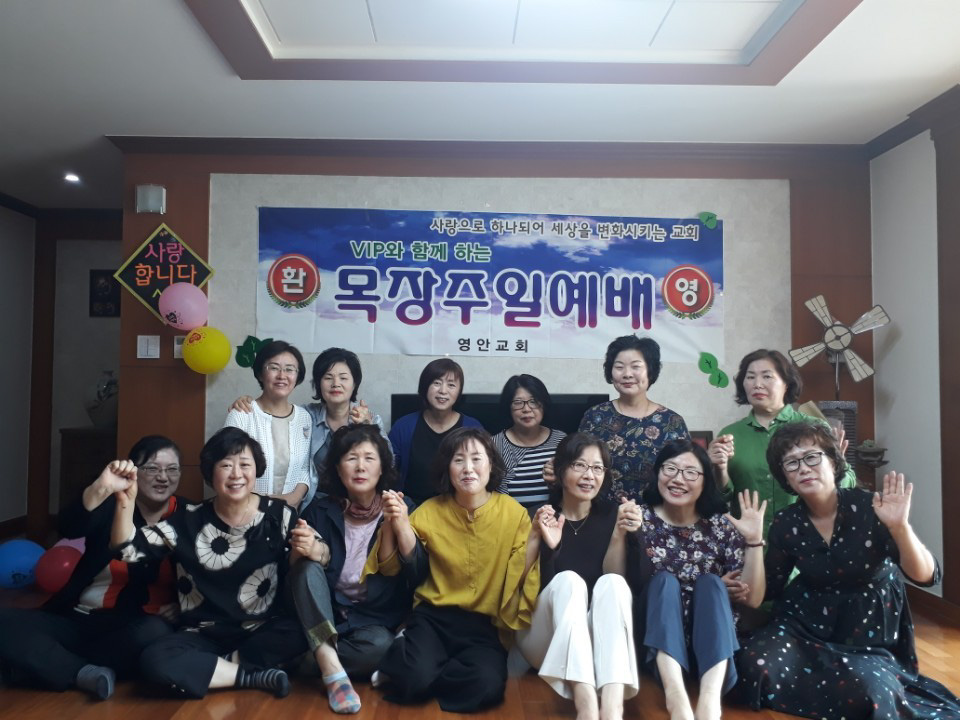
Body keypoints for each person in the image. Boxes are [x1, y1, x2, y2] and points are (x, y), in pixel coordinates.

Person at [736, 421, 960, 719]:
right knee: (754, 664)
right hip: (804, 623)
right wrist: (753, 542)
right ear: (785, 477)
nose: (803, 468)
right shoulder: (786, 522)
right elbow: (769, 589)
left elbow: (927, 576)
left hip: (867, 633)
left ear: (833, 461)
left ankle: (844, 685)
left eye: (812, 457)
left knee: (869, 692)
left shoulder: (872, 507)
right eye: (791, 463)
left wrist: (900, 527)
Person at [111, 427, 308, 699]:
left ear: (256, 470)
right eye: (226, 465)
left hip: (260, 630)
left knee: (301, 631)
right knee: (155, 659)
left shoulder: (278, 514)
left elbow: (321, 552)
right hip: (202, 635)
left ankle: (213, 670)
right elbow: (126, 551)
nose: (236, 474)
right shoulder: (187, 520)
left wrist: (315, 548)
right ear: (210, 472)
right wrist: (125, 500)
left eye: (245, 465)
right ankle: (251, 675)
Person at [367, 427, 540, 713]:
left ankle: (423, 667)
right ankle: (414, 660)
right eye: (459, 460)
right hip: (433, 618)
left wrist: (535, 538)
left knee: (487, 686)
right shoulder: (428, 511)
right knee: (413, 678)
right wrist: (393, 522)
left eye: (476, 459)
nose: (468, 468)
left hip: (483, 625)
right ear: (447, 468)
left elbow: (519, 575)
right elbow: (391, 567)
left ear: (491, 465)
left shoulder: (514, 513)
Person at [0, 435, 182, 700]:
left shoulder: (187, 516)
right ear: (133, 471)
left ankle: (45, 665)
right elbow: (69, 527)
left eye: (172, 469)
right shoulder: (110, 506)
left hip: (133, 626)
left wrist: (181, 605)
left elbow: (200, 574)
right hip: (78, 618)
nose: (163, 477)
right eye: (152, 468)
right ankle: (81, 671)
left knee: (155, 634)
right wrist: (101, 487)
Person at [629, 439, 765, 720]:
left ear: (705, 481)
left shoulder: (720, 525)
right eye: (670, 469)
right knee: (664, 582)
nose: (678, 479)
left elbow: (752, 599)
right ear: (657, 473)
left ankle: (710, 702)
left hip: (712, 642)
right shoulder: (639, 520)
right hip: (658, 642)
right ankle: (676, 698)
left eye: (691, 472)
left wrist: (753, 541)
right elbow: (627, 582)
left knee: (711, 584)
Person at [288, 424, 415, 714]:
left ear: (382, 467)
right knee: (306, 568)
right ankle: (331, 669)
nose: (360, 467)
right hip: (325, 613)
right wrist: (302, 551)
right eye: (351, 458)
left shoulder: (401, 507)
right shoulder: (319, 510)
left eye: (369, 458)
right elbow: (296, 579)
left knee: (381, 648)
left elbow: (416, 574)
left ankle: (309, 658)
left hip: (372, 620)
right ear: (337, 468)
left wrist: (402, 526)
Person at [517, 432, 638, 720]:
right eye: (579, 465)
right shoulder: (538, 516)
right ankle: (586, 707)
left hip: (597, 644)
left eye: (597, 468)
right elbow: (517, 585)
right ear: (560, 470)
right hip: (543, 640)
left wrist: (619, 534)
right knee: (569, 581)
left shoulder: (614, 515)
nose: (589, 475)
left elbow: (617, 588)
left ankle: (612, 708)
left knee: (613, 582)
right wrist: (545, 545)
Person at [707, 348, 856, 538]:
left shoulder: (814, 428)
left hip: (805, 540)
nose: (757, 384)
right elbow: (720, 499)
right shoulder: (730, 435)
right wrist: (718, 469)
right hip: (747, 542)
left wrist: (835, 469)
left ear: (786, 383)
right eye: (750, 377)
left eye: (767, 376)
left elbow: (848, 483)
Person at [231, 347, 387, 483]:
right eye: (328, 377)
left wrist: (368, 427)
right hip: (317, 500)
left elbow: (388, 463)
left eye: (343, 378)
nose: (336, 384)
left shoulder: (371, 419)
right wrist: (249, 402)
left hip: (358, 496)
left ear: (354, 384)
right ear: (318, 383)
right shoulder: (305, 416)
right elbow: (275, 411)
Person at [577, 335, 689, 502]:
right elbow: (578, 467)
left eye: (636, 367)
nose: (627, 374)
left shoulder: (672, 422)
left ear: (650, 371)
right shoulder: (595, 416)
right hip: (602, 513)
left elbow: (685, 475)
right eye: (619, 367)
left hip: (656, 513)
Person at [224, 340, 317, 509]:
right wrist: (263, 505)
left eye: (289, 369)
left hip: (289, 512)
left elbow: (304, 468)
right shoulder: (242, 414)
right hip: (246, 511)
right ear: (260, 374)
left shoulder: (304, 418)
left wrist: (292, 499)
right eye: (274, 368)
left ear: (297, 377)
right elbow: (228, 468)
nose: (282, 375)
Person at [387, 358, 483, 505]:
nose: (443, 391)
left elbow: (482, 473)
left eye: (451, 385)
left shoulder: (472, 428)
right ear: (425, 387)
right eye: (436, 383)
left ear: (459, 391)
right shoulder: (403, 426)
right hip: (411, 508)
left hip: (459, 508)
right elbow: (387, 468)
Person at [493, 374, 566, 510]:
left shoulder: (561, 441)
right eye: (518, 402)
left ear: (543, 404)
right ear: (508, 407)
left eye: (534, 401)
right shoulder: (495, 444)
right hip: (509, 520)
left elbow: (573, 486)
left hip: (554, 519)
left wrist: (558, 481)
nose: (526, 409)